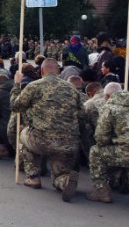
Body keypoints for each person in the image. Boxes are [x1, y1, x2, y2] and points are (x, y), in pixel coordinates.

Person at [10, 58, 83, 201]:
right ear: (59, 71)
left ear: (42, 71)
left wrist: (17, 84)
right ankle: (64, 181)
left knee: (23, 134)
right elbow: (82, 114)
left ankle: (33, 176)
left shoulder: (34, 86)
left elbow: (15, 106)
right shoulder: (72, 88)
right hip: (68, 142)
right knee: (59, 173)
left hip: (42, 140)